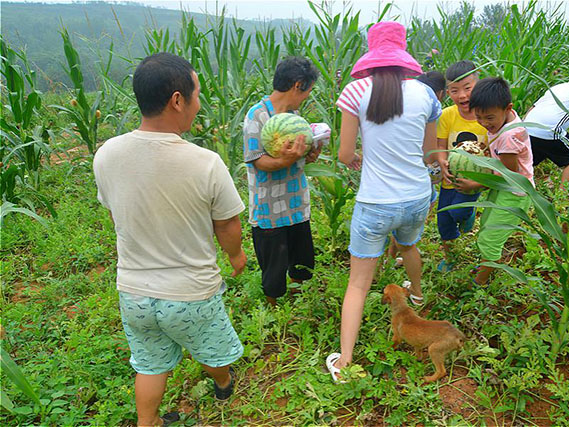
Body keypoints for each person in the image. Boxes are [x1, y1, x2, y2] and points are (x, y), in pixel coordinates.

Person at [93, 53, 246, 426]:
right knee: (211, 350)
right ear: (177, 100)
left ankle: (149, 423)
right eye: (195, 94)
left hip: (134, 292)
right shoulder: (205, 162)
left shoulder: (107, 153)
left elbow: (116, 215)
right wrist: (237, 257)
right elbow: (227, 225)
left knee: (148, 364)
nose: (198, 103)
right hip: (191, 293)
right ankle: (223, 385)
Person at [326, 21, 442, 382]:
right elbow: (430, 153)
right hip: (417, 196)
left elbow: (344, 154)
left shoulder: (355, 91)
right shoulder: (426, 95)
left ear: (371, 54)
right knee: (409, 245)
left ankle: (345, 362)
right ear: (404, 54)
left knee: (359, 283)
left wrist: (361, 157)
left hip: (376, 203)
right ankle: (418, 295)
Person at [242, 57, 321, 307]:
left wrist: (309, 154)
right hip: (269, 208)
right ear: (298, 85)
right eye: (307, 90)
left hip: (296, 203)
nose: (307, 96)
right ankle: (274, 311)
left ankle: (297, 304)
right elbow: (256, 160)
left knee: (302, 260)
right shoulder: (257, 115)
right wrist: (286, 160)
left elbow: (298, 159)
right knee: (273, 266)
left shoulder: (294, 116)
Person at [459, 77, 534, 285]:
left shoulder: (510, 135)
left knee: (491, 237)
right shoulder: (505, 120)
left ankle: (480, 282)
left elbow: (507, 175)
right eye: (479, 118)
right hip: (504, 187)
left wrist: (475, 184)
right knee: (487, 224)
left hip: (514, 192)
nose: (484, 123)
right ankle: (486, 262)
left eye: (489, 118)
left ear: (507, 107)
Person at [434, 60, 489, 273]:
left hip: (473, 180)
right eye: (455, 91)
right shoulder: (447, 114)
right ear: (448, 92)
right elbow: (440, 145)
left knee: (458, 212)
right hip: (450, 177)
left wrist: (480, 180)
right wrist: (441, 161)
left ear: (478, 84)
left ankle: (468, 214)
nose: (462, 95)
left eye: (468, 88)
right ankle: (451, 257)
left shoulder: (487, 115)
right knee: (444, 221)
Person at [387, 70, 446, 265]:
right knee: (410, 219)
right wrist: (438, 171)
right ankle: (401, 252)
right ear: (441, 94)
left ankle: (391, 255)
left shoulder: (400, 104)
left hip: (391, 174)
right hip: (417, 177)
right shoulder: (431, 107)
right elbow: (429, 154)